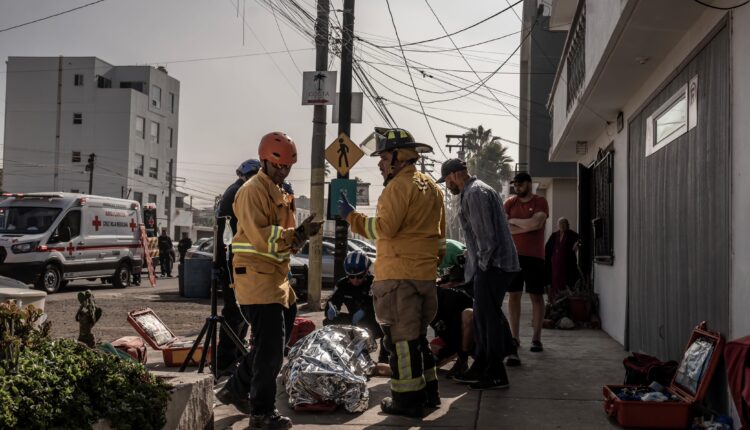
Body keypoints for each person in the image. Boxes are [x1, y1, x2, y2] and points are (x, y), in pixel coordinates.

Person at [216, 132, 323, 430]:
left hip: (276, 280)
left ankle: (236, 388)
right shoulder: (252, 192)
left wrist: (299, 235)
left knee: (270, 347)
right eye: (278, 167)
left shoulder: (280, 192)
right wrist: (298, 234)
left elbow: (283, 242)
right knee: (270, 351)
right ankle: (262, 413)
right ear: (264, 161)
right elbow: (265, 238)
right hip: (256, 280)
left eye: (287, 167)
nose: (282, 172)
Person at [339, 127, 445, 418]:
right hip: (425, 277)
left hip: (398, 278)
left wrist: (352, 216)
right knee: (418, 339)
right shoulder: (432, 188)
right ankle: (429, 394)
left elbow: (383, 228)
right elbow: (440, 241)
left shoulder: (398, 187)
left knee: (400, 341)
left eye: (384, 157)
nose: (380, 163)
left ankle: (406, 400)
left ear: (399, 158)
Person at [439, 158, 520, 390]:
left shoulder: (475, 192)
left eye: (446, 180)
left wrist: (482, 267)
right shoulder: (474, 191)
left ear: (454, 175)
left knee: (488, 319)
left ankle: (496, 373)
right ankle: (482, 365)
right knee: (483, 319)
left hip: (493, 265)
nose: (447, 186)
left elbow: (486, 237)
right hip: (491, 265)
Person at [215, 158, 261, 376]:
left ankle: (235, 355)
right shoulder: (235, 193)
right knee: (234, 313)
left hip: (235, 262)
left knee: (241, 312)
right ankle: (225, 361)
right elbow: (225, 233)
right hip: (231, 263)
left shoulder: (238, 191)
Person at [504, 172, 549, 364]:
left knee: (536, 296)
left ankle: (536, 338)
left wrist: (514, 222)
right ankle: (515, 337)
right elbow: (503, 227)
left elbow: (537, 223)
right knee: (513, 296)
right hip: (513, 256)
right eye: (515, 184)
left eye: (521, 184)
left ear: (530, 184)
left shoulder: (540, 202)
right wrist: (526, 226)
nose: (517, 187)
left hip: (534, 257)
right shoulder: (509, 203)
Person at [324, 250, 388, 364]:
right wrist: (331, 309)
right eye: (351, 276)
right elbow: (334, 300)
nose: (355, 280)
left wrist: (364, 311)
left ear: (367, 272)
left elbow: (378, 304)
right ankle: (335, 355)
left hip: (373, 321)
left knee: (388, 327)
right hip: (354, 321)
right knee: (328, 322)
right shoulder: (343, 284)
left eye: (359, 276)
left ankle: (384, 359)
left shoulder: (374, 283)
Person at [545, 218, 580, 303]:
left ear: (568, 225)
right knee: (554, 282)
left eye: (564, 223)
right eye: (561, 223)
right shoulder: (554, 235)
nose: (562, 225)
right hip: (555, 265)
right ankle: (554, 303)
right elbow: (547, 247)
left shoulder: (572, 234)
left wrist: (577, 244)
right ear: (558, 225)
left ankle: (566, 302)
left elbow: (581, 240)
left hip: (567, 264)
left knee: (567, 283)